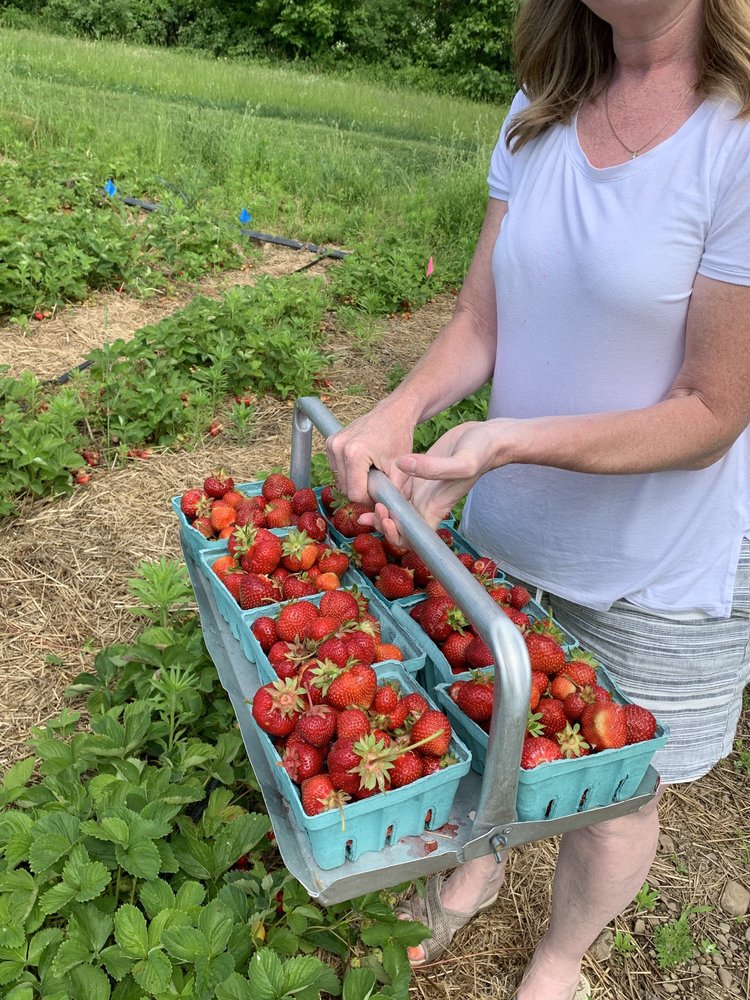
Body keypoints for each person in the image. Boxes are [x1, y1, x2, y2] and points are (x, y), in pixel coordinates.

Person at [326, 1, 750, 997]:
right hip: (509, 526)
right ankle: (474, 865)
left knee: (610, 793)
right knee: (488, 728)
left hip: (653, 560)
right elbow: (484, 315)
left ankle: (560, 953)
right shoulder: (543, 105)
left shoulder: (733, 139)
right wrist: (404, 408)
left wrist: (506, 439)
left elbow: (712, 412)